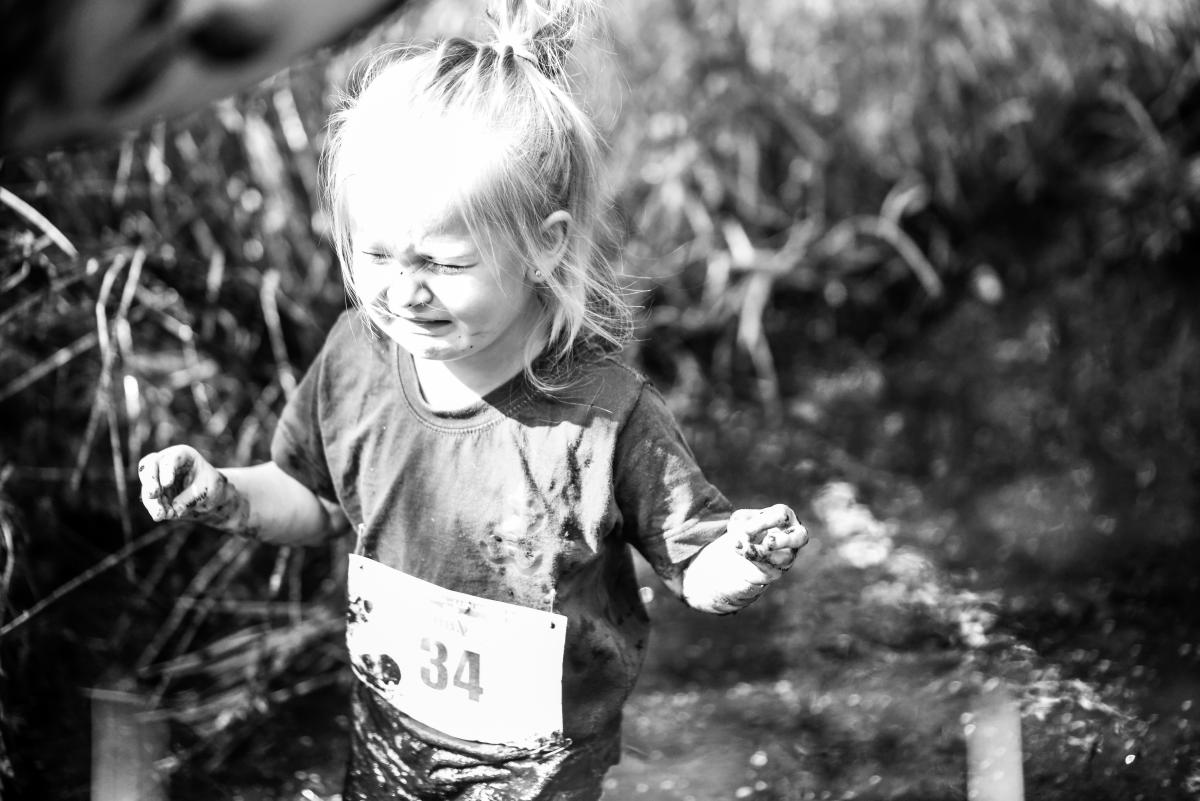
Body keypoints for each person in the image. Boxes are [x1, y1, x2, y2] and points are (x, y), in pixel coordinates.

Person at [137, 1, 809, 798]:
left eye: (445, 264)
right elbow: (311, 499)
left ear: (543, 245)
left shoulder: (604, 418)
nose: (402, 291)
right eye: (376, 254)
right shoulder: (357, 358)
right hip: (391, 733)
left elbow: (695, 568)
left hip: (538, 765)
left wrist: (745, 558)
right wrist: (222, 492)